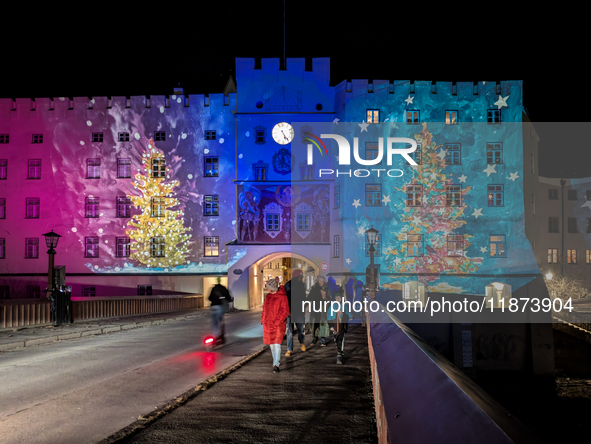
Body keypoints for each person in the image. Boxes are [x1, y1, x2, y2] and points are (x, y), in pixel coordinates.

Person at [261, 279, 289, 373]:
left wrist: (278, 321)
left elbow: (285, 311)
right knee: (272, 345)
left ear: (272, 287)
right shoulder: (268, 296)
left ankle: (276, 364)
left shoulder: (282, 297)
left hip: (277, 325)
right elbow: (264, 309)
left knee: (276, 344)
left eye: (268, 287)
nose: (267, 289)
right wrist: (263, 319)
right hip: (268, 324)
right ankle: (275, 362)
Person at [284, 269, 306, 356]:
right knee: (290, 332)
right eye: (301, 275)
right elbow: (285, 299)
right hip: (290, 312)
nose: (302, 277)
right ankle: (289, 349)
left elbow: (303, 298)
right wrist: (287, 310)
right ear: (296, 276)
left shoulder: (302, 285)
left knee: (301, 329)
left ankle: (302, 342)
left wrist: (304, 307)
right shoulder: (288, 285)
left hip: (300, 311)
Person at [307, 275, 331, 346]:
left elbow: (330, 300)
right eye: (319, 281)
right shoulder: (314, 289)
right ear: (317, 281)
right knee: (315, 323)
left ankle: (323, 339)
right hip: (315, 308)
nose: (320, 282)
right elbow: (309, 297)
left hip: (323, 309)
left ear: (324, 282)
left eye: (322, 281)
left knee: (322, 323)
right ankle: (315, 337)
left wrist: (324, 297)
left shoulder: (326, 289)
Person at [328, 291, 350, 364]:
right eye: (336, 298)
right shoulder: (332, 307)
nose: (338, 299)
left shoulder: (345, 306)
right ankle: (340, 351)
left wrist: (343, 315)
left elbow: (350, 315)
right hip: (334, 326)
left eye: (339, 298)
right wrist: (331, 327)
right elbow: (329, 317)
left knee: (340, 339)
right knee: (336, 339)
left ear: (341, 298)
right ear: (334, 298)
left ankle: (339, 355)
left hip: (342, 326)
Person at [209, 278, 232, 344]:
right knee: (220, 321)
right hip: (220, 306)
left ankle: (214, 335)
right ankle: (220, 336)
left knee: (215, 323)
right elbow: (229, 298)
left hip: (213, 306)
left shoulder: (213, 289)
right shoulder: (223, 289)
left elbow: (209, 298)